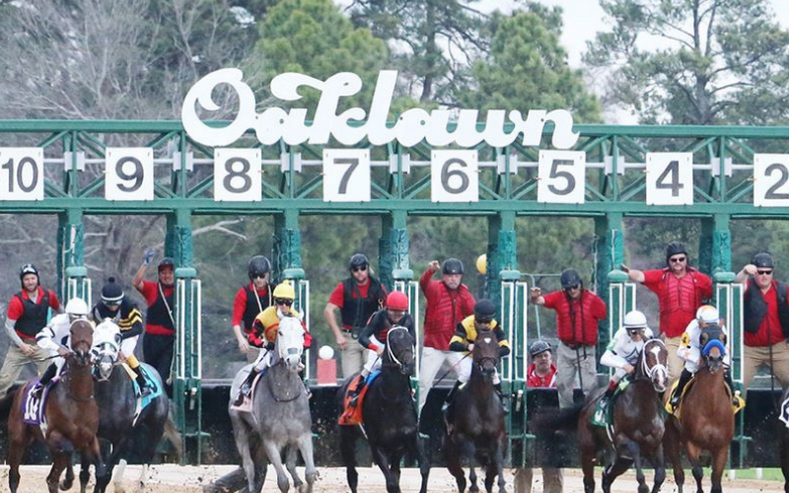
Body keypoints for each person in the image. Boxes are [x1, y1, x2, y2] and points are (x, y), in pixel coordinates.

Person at [623, 241, 713, 384]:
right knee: (674, 374)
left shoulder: (699, 278)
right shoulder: (662, 277)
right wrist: (627, 272)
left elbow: (713, 293)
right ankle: (671, 404)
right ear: (668, 261)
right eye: (674, 260)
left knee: (702, 371)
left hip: (695, 336)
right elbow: (641, 276)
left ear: (686, 259)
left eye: (681, 259)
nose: (678, 263)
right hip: (672, 337)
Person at [530, 268, 606, 409]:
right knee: (563, 385)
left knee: (589, 386)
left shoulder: (592, 300)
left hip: (585, 350)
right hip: (565, 348)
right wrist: (534, 297)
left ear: (580, 284)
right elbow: (540, 301)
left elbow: (607, 314)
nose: (572, 290)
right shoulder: (560, 298)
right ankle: (567, 415)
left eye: (574, 286)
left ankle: (590, 414)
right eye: (568, 288)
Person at [233, 281, 312, 406]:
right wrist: (263, 344)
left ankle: (304, 386)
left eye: (288, 303)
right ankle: (247, 385)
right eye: (280, 302)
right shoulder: (264, 316)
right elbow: (252, 336)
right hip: (270, 349)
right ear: (275, 301)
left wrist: (301, 346)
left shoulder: (296, 317)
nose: (284, 306)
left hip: (288, 350)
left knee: (297, 363)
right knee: (259, 365)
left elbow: (308, 337)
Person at [417, 258, 476, 413]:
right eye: (449, 275)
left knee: (468, 376)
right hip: (434, 346)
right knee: (424, 383)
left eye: (456, 276)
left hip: (455, 347)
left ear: (461, 276)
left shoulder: (465, 293)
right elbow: (423, 284)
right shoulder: (435, 288)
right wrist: (430, 271)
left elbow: (474, 316)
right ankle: (416, 419)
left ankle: (462, 410)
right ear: (444, 276)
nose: (453, 279)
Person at [0, 264, 62, 399]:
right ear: (22, 281)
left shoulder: (48, 295)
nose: (30, 282)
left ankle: (46, 411)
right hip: (20, 344)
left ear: (37, 279)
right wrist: (22, 345)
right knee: (3, 381)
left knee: (51, 378)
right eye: (26, 279)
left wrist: (56, 330)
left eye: (32, 278)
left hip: (41, 343)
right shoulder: (17, 301)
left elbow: (60, 311)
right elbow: (8, 326)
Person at [324, 253, 387, 379]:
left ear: (368, 268)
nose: (360, 272)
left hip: (371, 337)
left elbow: (387, 310)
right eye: (356, 269)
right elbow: (328, 310)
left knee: (373, 375)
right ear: (351, 271)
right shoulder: (344, 287)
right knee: (350, 379)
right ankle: (351, 398)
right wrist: (338, 336)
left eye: (363, 268)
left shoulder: (377, 287)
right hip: (350, 338)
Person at [347, 291, 415, 406]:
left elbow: (413, 341)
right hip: (380, 344)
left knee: (405, 369)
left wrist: (407, 355)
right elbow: (362, 337)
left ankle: (410, 393)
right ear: (387, 308)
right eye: (393, 312)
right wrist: (376, 349)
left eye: (400, 313)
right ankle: (356, 393)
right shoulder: (379, 316)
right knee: (370, 367)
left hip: (396, 348)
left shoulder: (408, 319)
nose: (396, 317)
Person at [734, 252, 789, 392]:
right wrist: (744, 271)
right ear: (754, 273)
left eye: (768, 272)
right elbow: (737, 285)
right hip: (750, 350)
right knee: (736, 387)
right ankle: (737, 414)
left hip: (779, 348)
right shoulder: (748, 286)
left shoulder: (782, 289)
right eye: (760, 272)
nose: (764, 275)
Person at [513, 340, 563, 493]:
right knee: (522, 464)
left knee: (553, 467)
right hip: (528, 426)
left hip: (553, 429)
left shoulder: (561, 376)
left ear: (551, 357)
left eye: (546, 355)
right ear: (533, 360)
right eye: (539, 356)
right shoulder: (523, 378)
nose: (543, 359)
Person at [445, 299, 510, 412]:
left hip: (485, 357)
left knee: (494, 375)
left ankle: (501, 402)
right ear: (475, 317)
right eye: (479, 321)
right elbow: (453, 344)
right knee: (466, 373)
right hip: (467, 355)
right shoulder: (465, 324)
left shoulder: (495, 326)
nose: (483, 325)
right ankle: (449, 400)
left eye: (487, 322)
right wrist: (467, 347)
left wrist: (492, 352)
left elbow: (506, 348)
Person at [90, 277, 151, 396]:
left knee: (126, 352)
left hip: (128, 333)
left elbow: (139, 328)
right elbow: (95, 326)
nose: (112, 307)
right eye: (109, 304)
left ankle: (143, 383)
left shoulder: (130, 306)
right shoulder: (98, 308)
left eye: (116, 304)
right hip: (108, 335)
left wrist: (121, 337)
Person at [670, 305, 737, 410]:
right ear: (699, 322)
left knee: (726, 369)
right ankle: (677, 395)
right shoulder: (691, 328)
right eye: (707, 324)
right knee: (688, 369)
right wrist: (696, 360)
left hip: (716, 351)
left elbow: (728, 347)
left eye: (713, 324)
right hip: (697, 350)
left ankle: (732, 395)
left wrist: (721, 356)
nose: (711, 328)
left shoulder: (721, 328)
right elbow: (681, 350)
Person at [133, 249, 176, 396]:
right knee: (150, 373)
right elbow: (137, 282)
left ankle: (162, 404)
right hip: (151, 340)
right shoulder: (153, 289)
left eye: (170, 272)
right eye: (163, 273)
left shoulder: (180, 290)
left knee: (162, 377)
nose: (167, 276)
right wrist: (145, 264)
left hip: (169, 341)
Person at [31, 298, 91, 396]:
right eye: (75, 316)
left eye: (81, 316)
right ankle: (41, 386)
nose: (78, 319)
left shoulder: (87, 324)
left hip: (77, 352)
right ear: (68, 314)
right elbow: (40, 337)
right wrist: (58, 349)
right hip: (59, 352)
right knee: (61, 362)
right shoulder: (58, 322)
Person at [597, 310, 655, 411]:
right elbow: (604, 359)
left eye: (641, 332)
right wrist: (624, 366)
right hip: (624, 361)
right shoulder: (620, 336)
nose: (638, 336)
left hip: (641, 362)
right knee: (618, 376)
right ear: (627, 330)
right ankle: (606, 400)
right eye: (634, 332)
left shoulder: (649, 334)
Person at [232, 255, 273, 363]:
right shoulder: (243, 293)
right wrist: (241, 339)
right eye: (255, 276)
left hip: (274, 339)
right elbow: (236, 321)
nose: (258, 279)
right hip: (254, 341)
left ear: (267, 274)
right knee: (256, 368)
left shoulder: (275, 290)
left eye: (262, 275)